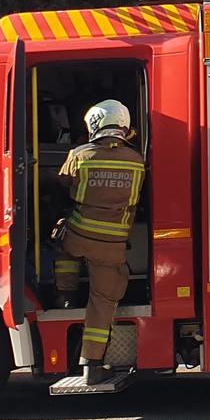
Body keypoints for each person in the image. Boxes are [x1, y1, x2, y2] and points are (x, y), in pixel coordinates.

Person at [55, 99, 148, 387]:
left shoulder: (79, 155)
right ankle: (92, 365)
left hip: (79, 235)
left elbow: (62, 186)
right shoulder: (137, 160)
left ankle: (65, 294)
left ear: (94, 124)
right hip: (112, 244)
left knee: (61, 241)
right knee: (103, 301)